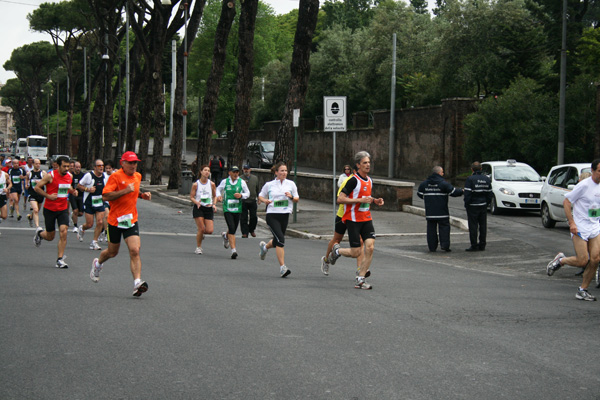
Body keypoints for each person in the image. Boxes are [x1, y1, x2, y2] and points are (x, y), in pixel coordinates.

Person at [90, 151, 151, 297]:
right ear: (122, 163)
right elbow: (105, 195)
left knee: (135, 250)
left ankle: (137, 283)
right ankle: (97, 264)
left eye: (135, 162)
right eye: (130, 162)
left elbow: (134, 192)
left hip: (131, 220)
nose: (133, 165)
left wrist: (143, 195)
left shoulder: (138, 176)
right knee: (112, 252)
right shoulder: (115, 177)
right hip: (115, 221)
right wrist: (124, 190)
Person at [327, 151, 384, 289]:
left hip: (366, 218)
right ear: (358, 165)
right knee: (356, 252)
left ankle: (361, 278)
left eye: (369, 162)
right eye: (364, 163)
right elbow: (340, 199)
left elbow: (366, 197)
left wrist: (375, 200)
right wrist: (359, 200)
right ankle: (337, 251)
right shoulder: (353, 180)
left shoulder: (369, 180)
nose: (368, 165)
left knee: (370, 247)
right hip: (353, 220)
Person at [546, 159, 600, 301]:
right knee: (583, 260)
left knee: (595, 259)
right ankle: (561, 260)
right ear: (593, 171)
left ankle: (582, 290)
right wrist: (572, 223)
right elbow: (566, 201)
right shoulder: (583, 186)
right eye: (599, 171)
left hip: (594, 225)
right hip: (580, 226)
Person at [33, 156, 77, 268]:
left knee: (64, 231)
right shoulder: (50, 176)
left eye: (68, 166)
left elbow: (68, 187)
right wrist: (48, 195)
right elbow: (37, 188)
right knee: (50, 236)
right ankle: (40, 234)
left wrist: (72, 191)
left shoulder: (69, 176)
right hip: (50, 209)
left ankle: (60, 259)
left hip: (62, 209)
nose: (67, 168)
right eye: (64, 166)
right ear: (57, 165)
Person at [257, 162, 300, 278]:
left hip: (284, 215)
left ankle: (264, 248)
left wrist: (290, 196)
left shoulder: (291, 184)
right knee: (281, 240)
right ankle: (282, 267)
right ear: (276, 172)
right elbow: (260, 195)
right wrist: (265, 200)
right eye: (281, 171)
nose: (284, 173)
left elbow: (297, 198)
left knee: (277, 241)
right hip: (272, 215)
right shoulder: (269, 184)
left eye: (285, 171)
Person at [320, 166, 364, 276]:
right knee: (336, 240)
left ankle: (359, 269)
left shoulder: (364, 182)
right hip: (342, 215)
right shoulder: (349, 181)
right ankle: (326, 260)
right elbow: (340, 198)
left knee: (360, 241)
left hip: (355, 217)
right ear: (355, 171)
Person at [417, 166, 463, 252]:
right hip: (442, 212)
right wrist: (462, 191)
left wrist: (428, 199)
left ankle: (432, 247)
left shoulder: (424, 184)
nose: (443, 174)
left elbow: (419, 194)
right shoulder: (444, 184)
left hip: (430, 212)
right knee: (444, 228)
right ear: (439, 173)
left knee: (431, 229)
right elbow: (453, 192)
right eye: (442, 172)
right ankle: (444, 245)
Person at [216, 165, 250, 259]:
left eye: (237, 172)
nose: (235, 174)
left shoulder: (241, 182)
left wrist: (241, 195)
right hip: (227, 208)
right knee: (231, 227)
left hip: (237, 208)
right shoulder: (225, 182)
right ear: (229, 173)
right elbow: (218, 189)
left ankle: (225, 236)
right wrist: (219, 196)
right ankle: (233, 251)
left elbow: (248, 193)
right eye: (234, 172)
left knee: (233, 228)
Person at [77, 159, 107, 250]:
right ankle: (82, 228)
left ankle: (94, 242)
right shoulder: (88, 176)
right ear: (94, 167)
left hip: (99, 202)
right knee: (89, 224)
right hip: (89, 202)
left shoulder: (105, 177)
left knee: (100, 222)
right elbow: (79, 186)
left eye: (102, 165)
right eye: (99, 166)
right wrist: (88, 189)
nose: (101, 167)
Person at [463, 161, 492, 251]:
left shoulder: (470, 179)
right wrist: (486, 203)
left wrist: (466, 204)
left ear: (472, 169)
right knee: (483, 225)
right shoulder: (486, 179)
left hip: (472, 206)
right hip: (483, 205)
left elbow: (467, 194)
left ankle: (474, 245)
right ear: (481, 169)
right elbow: (489, 193)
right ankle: (482, 244)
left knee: (473, 226)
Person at [190, 165, 217, 254]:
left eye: (208, 171)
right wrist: (197, 202)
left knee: (209, 231)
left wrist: (214, 204)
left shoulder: (212, 184)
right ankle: (198, 247)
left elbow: (215, 196)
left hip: (208, 208)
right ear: (201, 172)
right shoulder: (196, 184)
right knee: (201, 228)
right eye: (205, 170)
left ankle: (200, 235)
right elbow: (191, 197)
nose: (207, 172)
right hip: (199, 208)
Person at [25, 159, 46, 228]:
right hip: (32, 193)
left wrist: (40, 183)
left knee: (37, 210)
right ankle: (37, 226)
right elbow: (27, 178)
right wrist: (26, 184)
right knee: (35, 210)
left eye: (39, 164)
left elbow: (47, 182)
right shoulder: (29, 173)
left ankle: (30, 217)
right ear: (33, 164)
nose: (38, 165)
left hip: (40, 194)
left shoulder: (43, 173)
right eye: (36, 164)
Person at [240, 164, 259, 238]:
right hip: (243, 201)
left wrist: (258, 197)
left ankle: (251, 229)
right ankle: (245, 232)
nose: (246, 170)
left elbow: (257, 188)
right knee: (243, 217)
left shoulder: (255, 178)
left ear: (250, 170)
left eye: (247, 169)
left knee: (253, 217)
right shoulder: (240, 179)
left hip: (252, 200)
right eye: (244, 169)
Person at [99, 160, 115, 243]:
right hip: (104, 200)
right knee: (106, 216)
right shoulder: (103, 176)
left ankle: (101, 231)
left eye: (109, 168)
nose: (108, 170)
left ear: (113, 168)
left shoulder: (115, 176)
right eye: (106, 168)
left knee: (109, 219)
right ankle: (106, 233)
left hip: (113, 201)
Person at [69, 161, 85, 234]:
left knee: (80, 213)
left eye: (79, 167)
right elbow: (69, 184)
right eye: (76, 167)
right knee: (75, 211)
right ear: (74, 167)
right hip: (73, 195)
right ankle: (75, 226)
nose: (78, 169)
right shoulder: (71, 175)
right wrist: (72, 191)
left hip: (81, 195)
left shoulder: (83, 175)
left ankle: (73, 215)